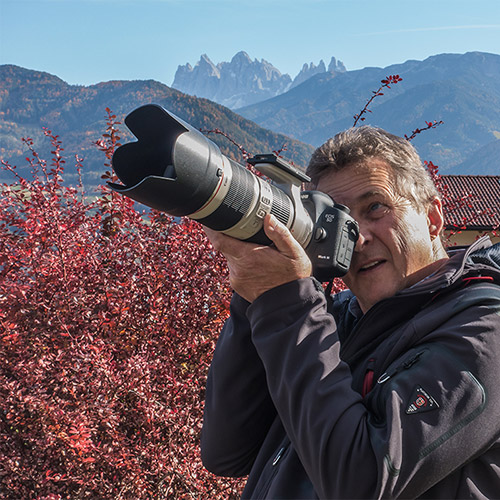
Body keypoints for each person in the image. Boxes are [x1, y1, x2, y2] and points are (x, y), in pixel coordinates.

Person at [201, 126, 500, 499]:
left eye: (375, 207)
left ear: (432, 218)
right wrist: (255, 299)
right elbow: (228, 452)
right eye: (339, 222)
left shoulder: (485, 330)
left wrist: (284, 302)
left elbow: (362, 482)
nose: (358, 238)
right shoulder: (329, 319)